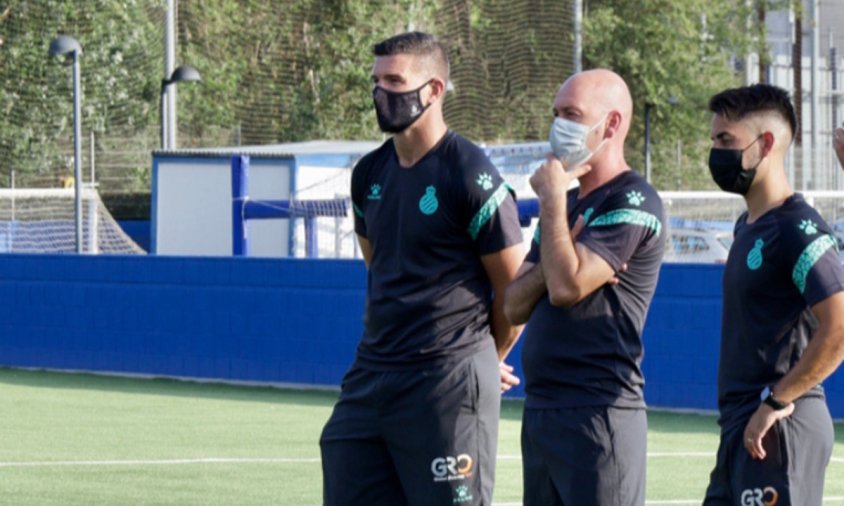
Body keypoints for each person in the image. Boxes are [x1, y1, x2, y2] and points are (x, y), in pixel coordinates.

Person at [319, 32, 525, 506]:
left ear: (433, 90)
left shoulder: (470, 173)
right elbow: (380, 267)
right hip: (373, 374)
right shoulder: (368, 173)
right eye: (376, 81)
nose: (380, 93)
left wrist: (480, 359)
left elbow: (515, 291)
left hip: (445, 382)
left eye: (394, 80)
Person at [503, 69, 665, 506]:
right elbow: (514, 305)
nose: (559, 126)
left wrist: (554, 205)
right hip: (542, 411)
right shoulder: (569, 206)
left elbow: (566, 287)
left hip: (599, 412)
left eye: (572, 114)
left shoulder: (633, 199)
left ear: (611, 124)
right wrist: (562, 247)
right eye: (556, 114)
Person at [703, 84, 844, 505]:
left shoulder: (795, 227)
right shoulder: (747, 226)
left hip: (778, 427)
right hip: (742, 427)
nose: (715, 151)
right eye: (713, 140)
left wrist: (776, 399)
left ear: (764, 144)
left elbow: (839, 327)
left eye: (726, 140)